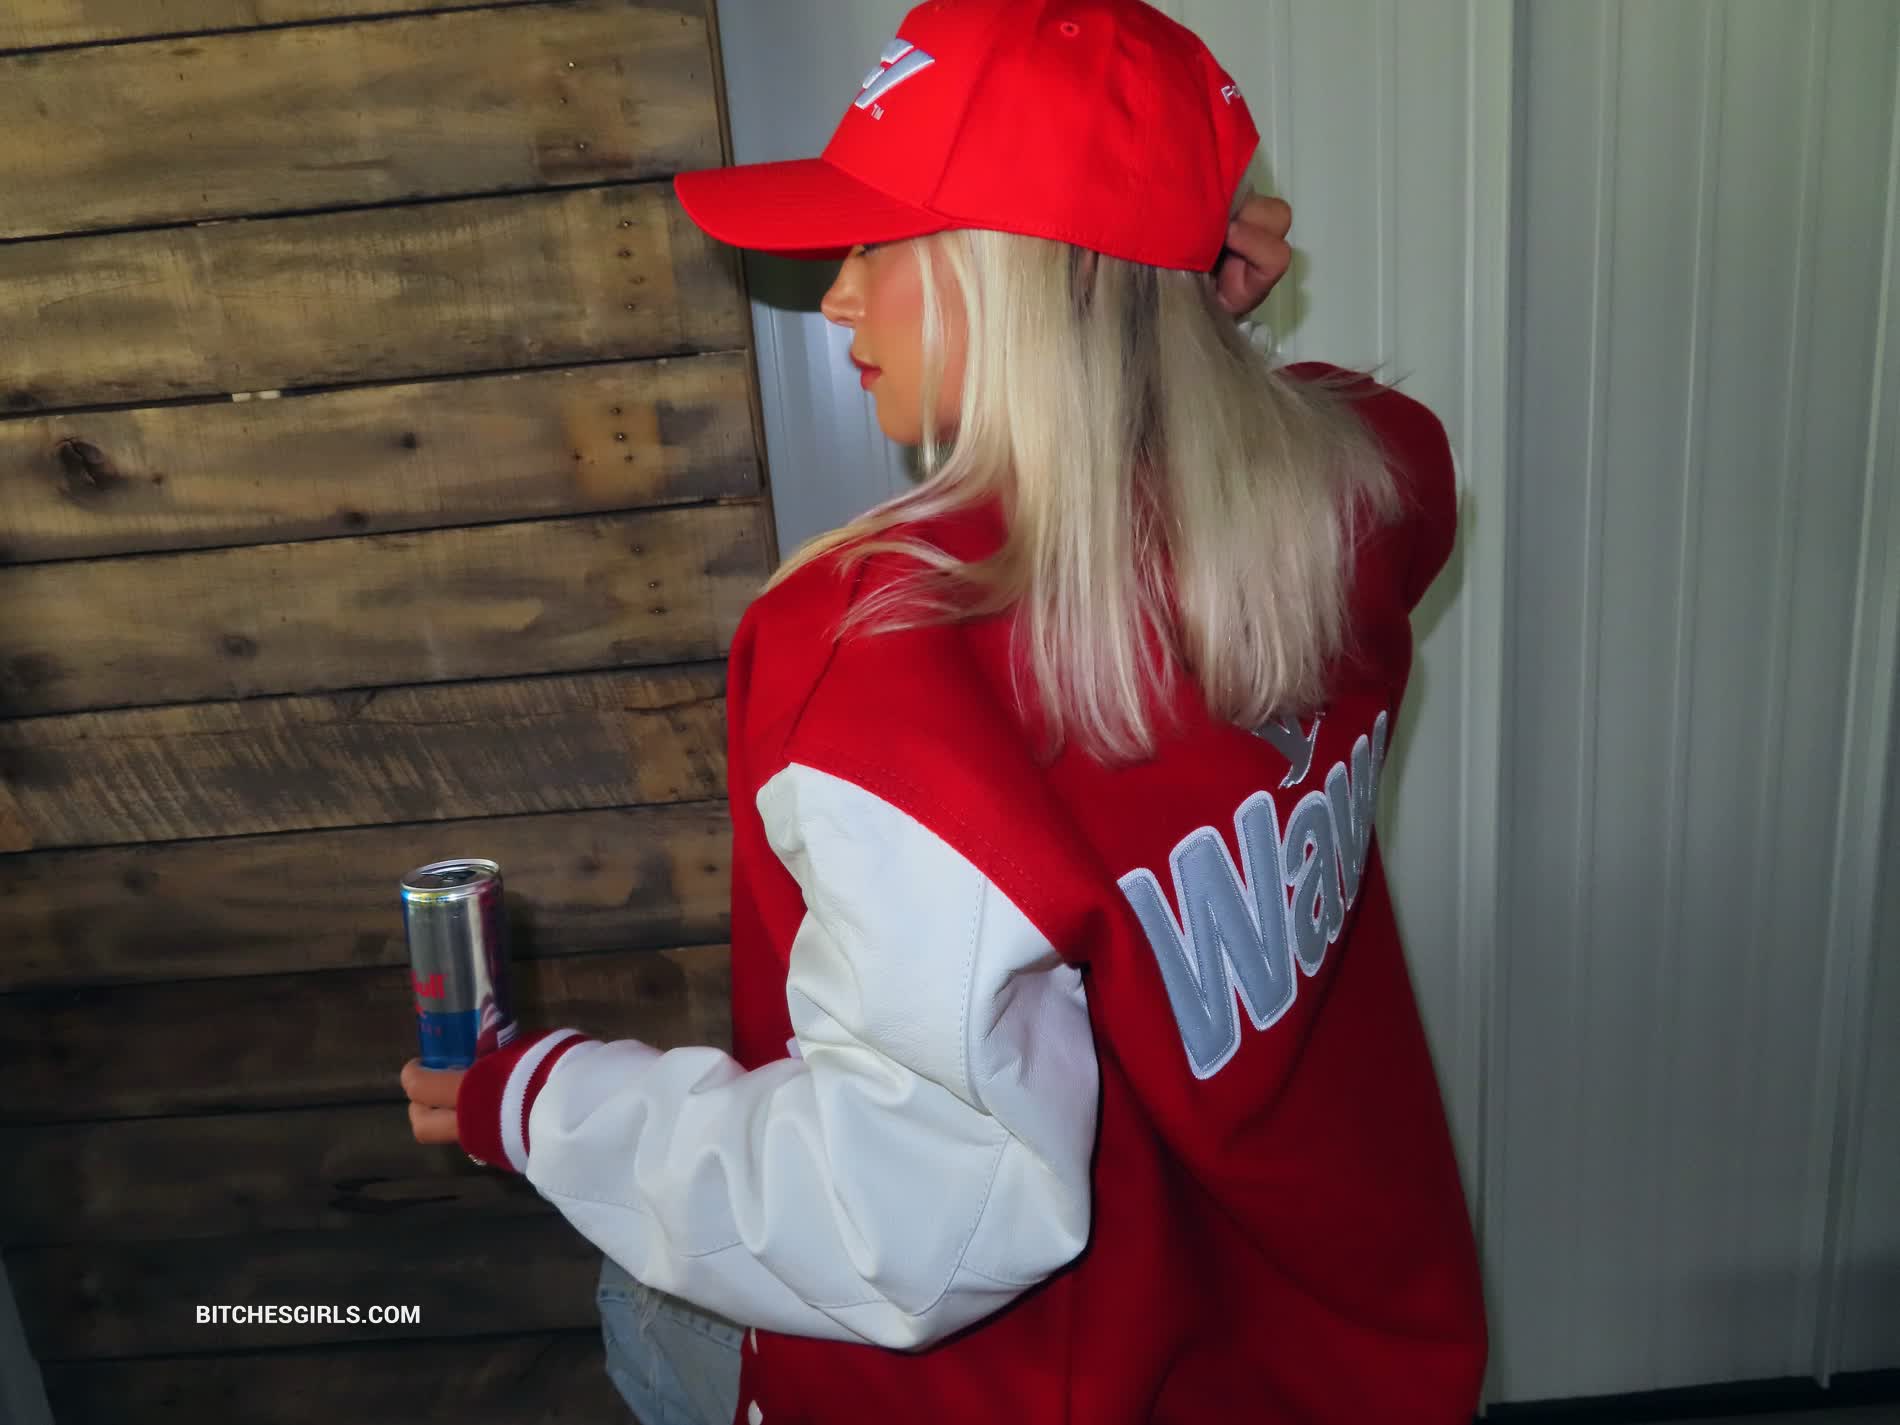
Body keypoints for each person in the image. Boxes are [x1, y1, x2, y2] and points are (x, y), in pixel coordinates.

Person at [401, 2, 1487, 1422]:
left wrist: (535, 1099)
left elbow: (900, 1225)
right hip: (1324, 1348)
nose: (836, 298)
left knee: (638, 1310)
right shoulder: (1358, 492)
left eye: (878, 243)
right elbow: (1348, 440)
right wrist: (1170, 328)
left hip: (1059, 1381)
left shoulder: (895, 662)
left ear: (1019, 278)